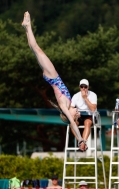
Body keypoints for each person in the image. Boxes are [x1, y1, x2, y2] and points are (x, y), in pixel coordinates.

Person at [21, 11, 87, 151]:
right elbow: (73, 125)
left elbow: (73, 123)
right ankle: (27, 27)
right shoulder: (68, 104)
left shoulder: (64, 106)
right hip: (52, 77)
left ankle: (28, 25)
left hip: (53, 77)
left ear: (68, 115)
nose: (78, 113)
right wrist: (79, 139)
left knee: (37, 49)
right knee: (35, 50)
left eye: (76, 115)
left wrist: (81, 139)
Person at [70, 79, 97, 147]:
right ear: (79, 87)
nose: (83, 88)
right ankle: (80, 141)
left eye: (85, 87)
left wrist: (85, 98)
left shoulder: (93, 95)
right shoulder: (76, 96)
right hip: (79, 116)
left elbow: (93, 109)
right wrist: (75, 112)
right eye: (82, 86)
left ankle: (83, 142)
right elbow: (71, 108)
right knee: (72, 124)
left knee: (87, 123)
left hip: (90, 115)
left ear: (88, 87)